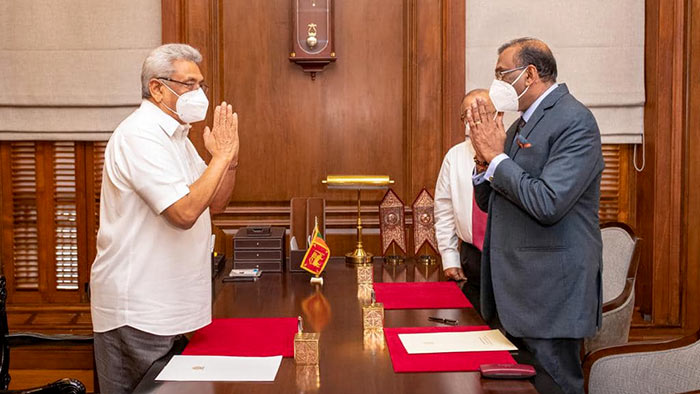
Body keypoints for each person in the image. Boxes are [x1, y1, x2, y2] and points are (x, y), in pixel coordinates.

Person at [90, 43, 239, 394]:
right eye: (188, 84)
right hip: (139, 310)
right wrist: (220, 158)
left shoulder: (179, 137)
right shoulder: (140, 134)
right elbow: (184, 213)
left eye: (200, 84)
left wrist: (228, 160)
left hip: (171, 306)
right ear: (157, 88)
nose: (197, 93)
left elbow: (214, 203)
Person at [467, 38, 603, 394]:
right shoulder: (518, 126)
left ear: (529, 75)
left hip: (549, 297)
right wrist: (484, 161)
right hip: (515, 293)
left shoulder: (575, 121)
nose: (496, 82)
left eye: (502, 73)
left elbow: (548, 202)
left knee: (553, 386)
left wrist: (497, 159)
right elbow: (489, 201)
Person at [434, 89, 490, 312]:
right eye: (467, 115)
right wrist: (449, 257)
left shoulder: (514, 151)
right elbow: (444, 208)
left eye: (481, 112)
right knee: (474, 326)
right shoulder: (455, 156)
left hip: (507, 258)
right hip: (472, 257)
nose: (473, 120)